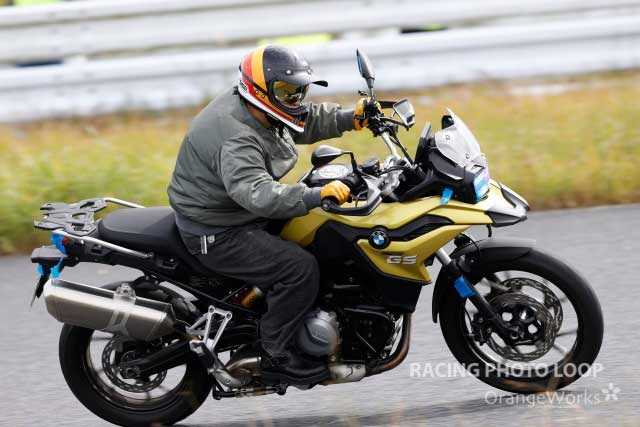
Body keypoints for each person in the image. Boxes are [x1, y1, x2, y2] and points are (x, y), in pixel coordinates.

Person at [167, 45, 371, 384]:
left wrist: (351, 117)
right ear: (260, 90)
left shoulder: (262, 109)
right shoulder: (236, 136)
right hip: (217, 229)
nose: (296, 99)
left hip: (233, 212)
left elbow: (301, 119)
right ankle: (275, 354)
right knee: (298, 268)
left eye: (299, 90)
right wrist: (316, 195)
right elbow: (258, 195)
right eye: (287, 91)